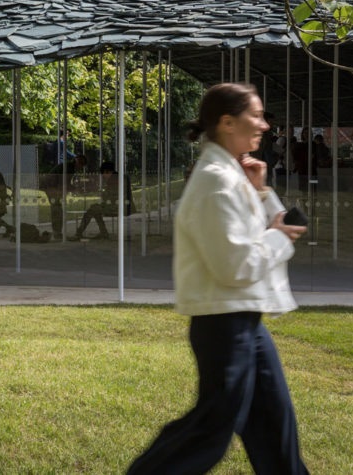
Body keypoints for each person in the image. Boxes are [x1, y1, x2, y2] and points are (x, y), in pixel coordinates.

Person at [127, 82, 309, 475]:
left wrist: (260, 192)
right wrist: (278, 236)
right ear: (227, 122)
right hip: (225, 324)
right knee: (209, 432)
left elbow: (265, 233)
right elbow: (237, 266)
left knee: (274, 429)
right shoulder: (215, 181)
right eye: (256, 115)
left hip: (245, 322)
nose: (264, 124)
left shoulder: (232, 176)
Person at [71, 161, 132, 240]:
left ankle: (79, 233)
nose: (103, 176)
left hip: (118, 206)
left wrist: (98, 191)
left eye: (104, 173)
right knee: (95, 209)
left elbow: (110, 196)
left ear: (108, 171)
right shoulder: (120, 177)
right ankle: (103, 232)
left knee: (91, 210)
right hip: (123, 205)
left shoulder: (114, 179)